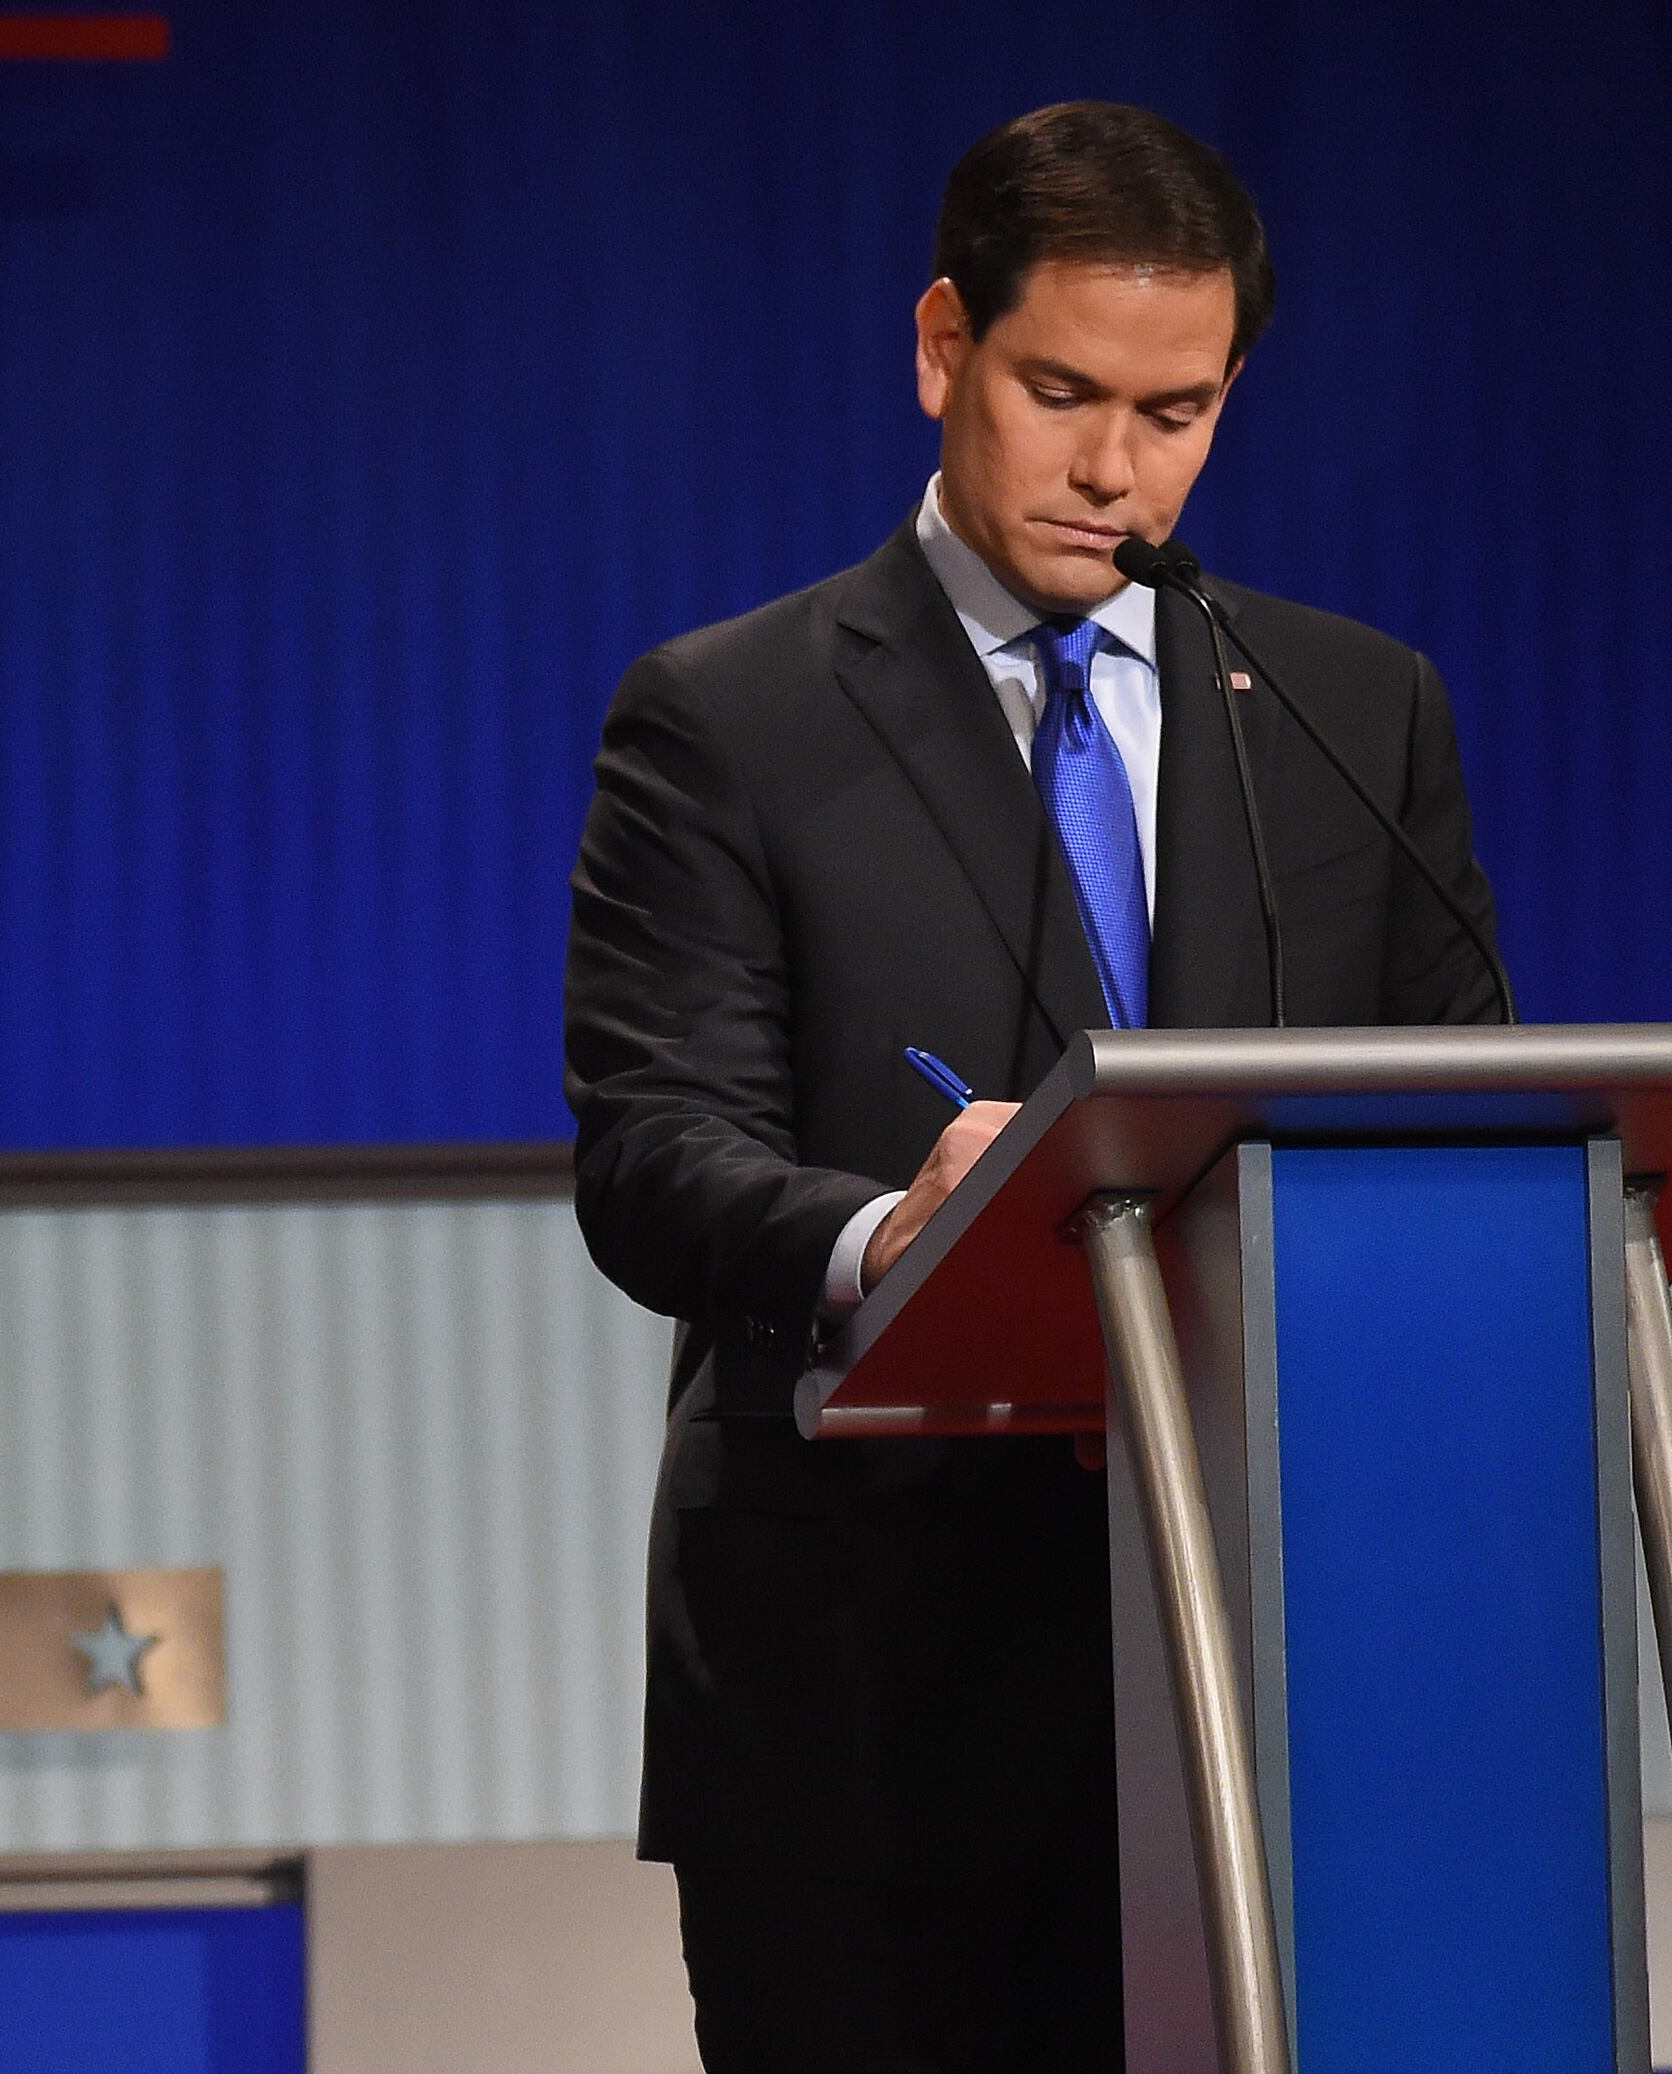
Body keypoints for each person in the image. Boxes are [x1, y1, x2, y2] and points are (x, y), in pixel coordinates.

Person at [564, 101, 1508, 2071]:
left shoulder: (1353, 713)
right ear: (944, 348)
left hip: (1273, 1687)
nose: (1111, 469)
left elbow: (1476, 1121)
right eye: (1060, 392)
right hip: (865, 1715)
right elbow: (656, 1153)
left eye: (1177, 411)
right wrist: (885, 1237)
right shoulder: (732, 715)